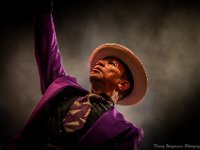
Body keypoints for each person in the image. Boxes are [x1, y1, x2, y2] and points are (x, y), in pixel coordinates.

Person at [3, 0, 147, 150]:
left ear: (122, 84)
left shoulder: (125, 132)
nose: (101, 63)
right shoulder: (64, 87)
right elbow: (49, 53)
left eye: (111, 63)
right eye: (101, 61)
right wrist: (45, 11)